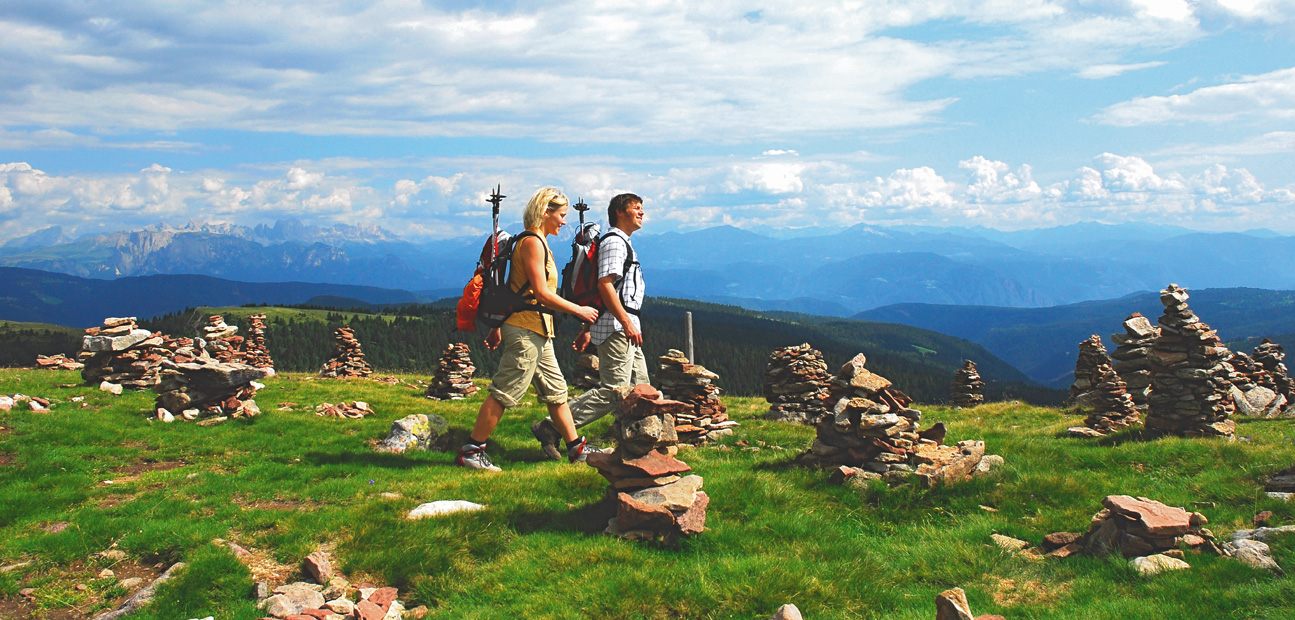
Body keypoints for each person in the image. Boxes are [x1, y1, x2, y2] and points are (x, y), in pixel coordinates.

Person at [457, 187, 600, 471]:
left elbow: (517, 290)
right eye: (560, 215)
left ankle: (576, 449)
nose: (563, 222)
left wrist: (499, 326)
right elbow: (540, 293)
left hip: (536, 330)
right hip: (525, 330)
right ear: (545, 212)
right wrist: (579, 310)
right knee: (506, 390)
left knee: (556, 391)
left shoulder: (537, 241)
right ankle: (472, 450)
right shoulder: (533, 242)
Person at [532, 193, 647, 460]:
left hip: (624, 326)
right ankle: (552, 427)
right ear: (620, 212)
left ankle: (642, 446)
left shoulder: (622, 242)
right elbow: (604, 286)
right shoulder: (615, 243)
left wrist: (587, 328)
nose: (642, 213)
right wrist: (626, 322)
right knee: (613, 391)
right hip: (619, 327)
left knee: (641, 388)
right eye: (636, 208)